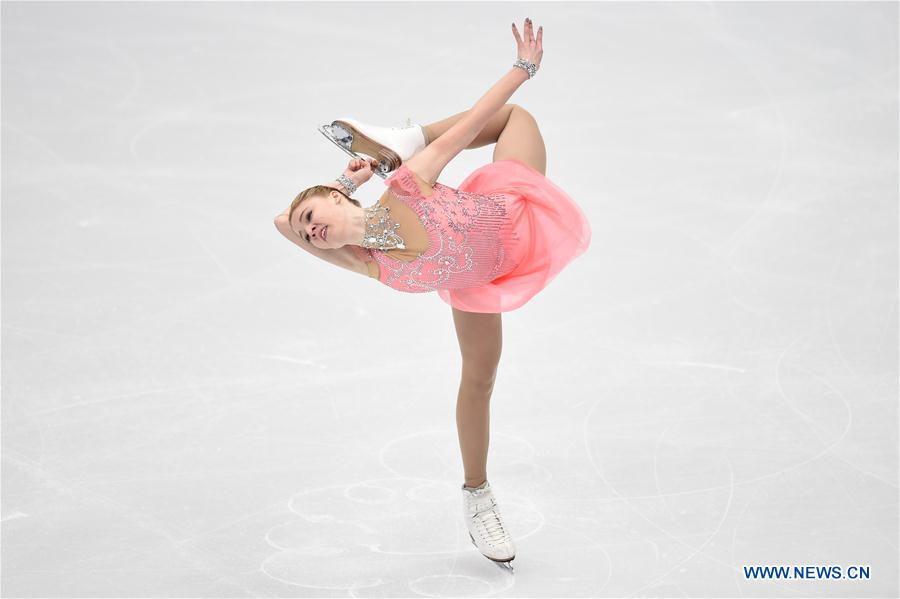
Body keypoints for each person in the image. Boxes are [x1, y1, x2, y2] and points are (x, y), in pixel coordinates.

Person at [274, 17, 590, 567]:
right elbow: (279, 222)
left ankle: (408, 139)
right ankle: (478, 496)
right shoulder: (370, 264)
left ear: (332, 196)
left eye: (312, 214)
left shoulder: (405, 187)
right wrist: (341, 188)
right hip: (477, 283)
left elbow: (470, 126)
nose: (307, 229)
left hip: (512, 212)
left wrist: (522, 68)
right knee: (480, 380)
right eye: (308, 234)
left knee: (516, 119)